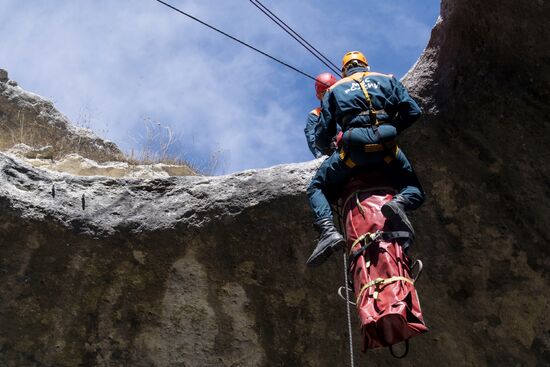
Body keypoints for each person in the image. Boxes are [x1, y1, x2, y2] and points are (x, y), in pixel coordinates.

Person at [306, 51, 425, 267]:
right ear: (366, 66)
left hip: (353, 154)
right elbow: (413, 111)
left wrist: (334, 146)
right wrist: (389, 130)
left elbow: (322, 136)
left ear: (344, 71)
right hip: (387, 151)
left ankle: (328, 232)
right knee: (414, 189)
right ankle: (399, 202)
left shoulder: (335, 91)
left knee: (317, 187)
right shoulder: (388, 80)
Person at [305, 73, 338, 158]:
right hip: (330, 153)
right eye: (324, 93)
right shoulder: (315, 114)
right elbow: (313, 139)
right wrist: (321, 157)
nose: (328, 96)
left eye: (330, 91)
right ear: (318, 96)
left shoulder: (345, 106)